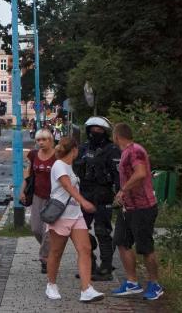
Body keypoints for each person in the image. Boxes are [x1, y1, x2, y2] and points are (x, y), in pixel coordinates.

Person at [44, 136, 104, 303]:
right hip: (60, 215)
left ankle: (86, 289)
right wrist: (83, 201)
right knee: (56, 252)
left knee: (85, 249)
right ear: (75, 150)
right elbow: (67, 186)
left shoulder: (70, 167)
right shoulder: (58, 165)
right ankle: (51, 284)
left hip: (76, 215)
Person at [110, 122, 164, 301]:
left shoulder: (135, 150)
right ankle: (132, 282)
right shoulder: (125, 152)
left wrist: (123, 190)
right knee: (121, 241)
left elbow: (140, 173)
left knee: (145, 247)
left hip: (143, 207)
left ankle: (155, 284)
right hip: (128, 208)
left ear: (116, 136)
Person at [75, 116, 121, 281]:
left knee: (103, 231)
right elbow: (74, 170)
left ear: (105, 132)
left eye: (99, 130)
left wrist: (120, 193)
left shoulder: (112, 149)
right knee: (80, 231)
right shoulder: (83, 148)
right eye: (93, 129)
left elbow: (118, 175)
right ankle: (89, 262)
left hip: (103, 194)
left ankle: (106, 267)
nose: (96, 132)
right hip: (85, 194)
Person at [21, 129, 57, 274]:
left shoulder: (57, 155)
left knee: (47, 230)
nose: (41, 143)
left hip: (54, 198)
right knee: (36, 228)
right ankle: (49, 251)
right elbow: (28, 174)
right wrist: (22, 190)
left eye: (44, 139)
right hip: (37, 196)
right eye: (38, 140)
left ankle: (45, 259)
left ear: (50, 140)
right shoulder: (33, 155)